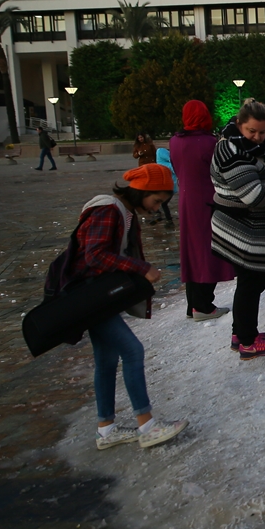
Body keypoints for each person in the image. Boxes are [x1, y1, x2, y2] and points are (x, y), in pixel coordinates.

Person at [73, 164, 188, 450]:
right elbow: (94, 255)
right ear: (142, 191)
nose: (157, 207)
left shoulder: (119, 211)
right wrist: (140, 268)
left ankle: (106, 429)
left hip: (94, 297)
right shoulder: (109, 209)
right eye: (157, 200)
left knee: (107, 360)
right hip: (90, 296)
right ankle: (147, 425)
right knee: (132, 351)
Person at [210, 98, 265, 359]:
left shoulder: (252, 147)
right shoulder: (230, 151)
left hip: (246, 226)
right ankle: (247, 342)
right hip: (241, 228)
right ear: (239, 124)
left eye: (263, 132)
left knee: (250, 281)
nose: (257, 137)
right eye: (251, 131)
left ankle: (240, 332)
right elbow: (254, 196)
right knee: (251, 282)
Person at [169, 100, 234, 321]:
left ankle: (194, 304)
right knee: (208, 251)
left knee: (192, 250)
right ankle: (203, 305)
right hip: (207, 200)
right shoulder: (209, 142)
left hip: (186, 201)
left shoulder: (175, 142)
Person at [153, 147, 176, 226]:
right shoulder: (168, 165)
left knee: (163, 203)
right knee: (163, 203)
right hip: (169, 187)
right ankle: (168, 219)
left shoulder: (162, 164)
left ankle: (169, 220)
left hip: (168, 188)